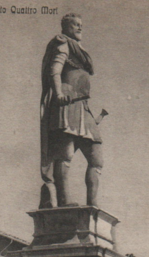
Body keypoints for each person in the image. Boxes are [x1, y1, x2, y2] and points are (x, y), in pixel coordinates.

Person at [40, 13, 105, 208]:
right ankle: (63, 202)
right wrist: (59, 93)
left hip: (83, 106)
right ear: (66, 27)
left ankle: (92, 206)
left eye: (81, 25)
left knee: (96, 158)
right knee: (65, 154)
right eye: (75, 25)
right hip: (66, 103)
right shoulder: (63, 43)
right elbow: (55, 70)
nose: (79, 28)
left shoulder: (79, 49)